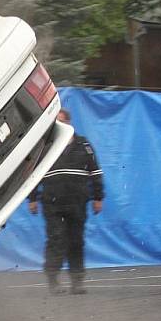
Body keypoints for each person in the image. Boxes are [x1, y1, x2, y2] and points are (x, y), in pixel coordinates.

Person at [29, 108, 104, 295]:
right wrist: (32, 199)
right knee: (56, 239)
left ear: (69, 123)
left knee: (76, 241)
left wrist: (98, 197)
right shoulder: (46, 146)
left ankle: (77, 281)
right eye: (57, 123)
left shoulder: (83, 144)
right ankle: (53, 280)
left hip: (77, 202)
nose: (60, 126)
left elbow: (95, 171)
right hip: (52, 202)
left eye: (63, 122)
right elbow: (32, 175)